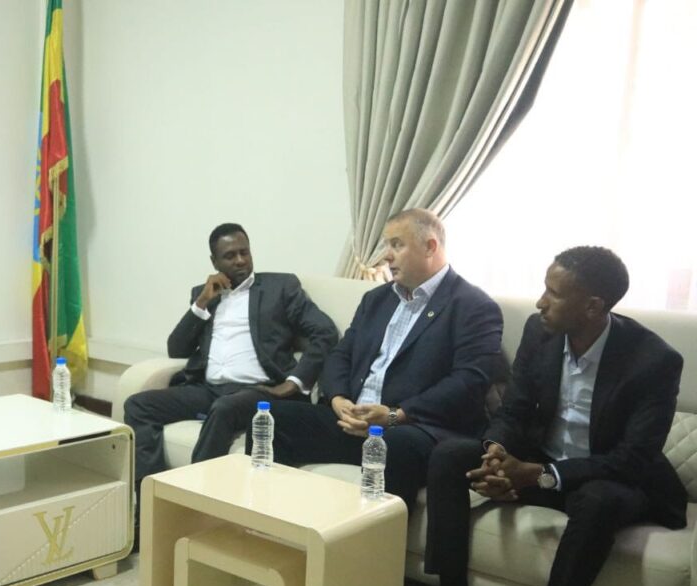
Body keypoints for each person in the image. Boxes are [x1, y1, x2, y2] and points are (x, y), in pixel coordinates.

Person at [401, 246, 687, 586]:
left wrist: (539, 475)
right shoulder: (541, 332)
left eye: (554, 293)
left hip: (607, 474)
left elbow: (633, 458)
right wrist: (497, 452)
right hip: (542, 457)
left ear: (592, 306)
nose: (540, 302)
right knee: (449, 455)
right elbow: (514, 409)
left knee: (599, 501)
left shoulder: (654, 360)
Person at [266, 208, 503, 510]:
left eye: (396, 245)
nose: (386, 256)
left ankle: (374, 539)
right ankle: (266, 523)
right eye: (386, 245)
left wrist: (395, 415)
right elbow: (340, 354)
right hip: (355, 421)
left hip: (416, 429)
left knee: (394, 445)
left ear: (430, 247)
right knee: (273, 419)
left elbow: (469, 382)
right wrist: (338, 399)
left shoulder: (473, 306)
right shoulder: (376, 299)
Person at [123, 222, 338, 486]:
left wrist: (294, 382)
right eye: (230, 256)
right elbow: (177, 348)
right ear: (214, 262)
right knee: (138, 405)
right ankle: (147, 495)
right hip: (208, 389)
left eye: (244, 252)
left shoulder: (280, 288)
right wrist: (201, 303)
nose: (240, 260)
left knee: (224, 408)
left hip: (259, 390)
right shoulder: (204, 295)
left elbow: (325, 332)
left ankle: (194, 495)